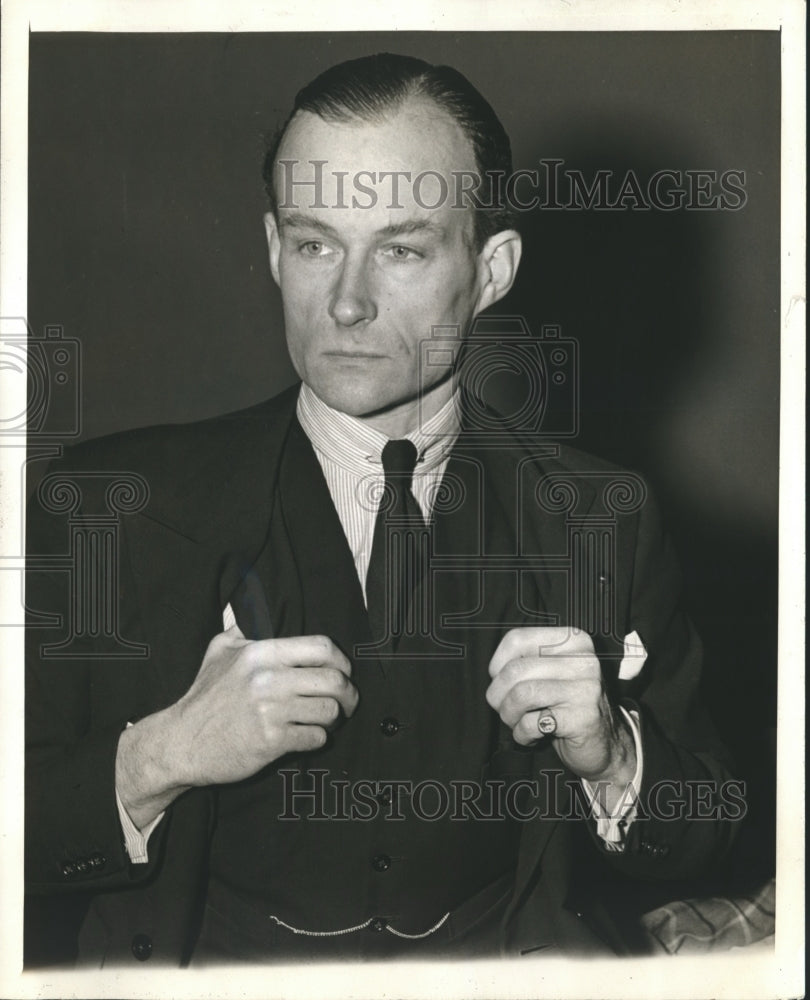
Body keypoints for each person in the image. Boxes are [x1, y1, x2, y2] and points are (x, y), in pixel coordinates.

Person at [25, 53, 737, 966]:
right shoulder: (111, 510)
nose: (348, 302)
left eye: (400, 249)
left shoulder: (600, 515)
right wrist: (157, 758)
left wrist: (614, 754)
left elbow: (713, 829)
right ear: (276, 249)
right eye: (317, 243)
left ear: (492, 271)